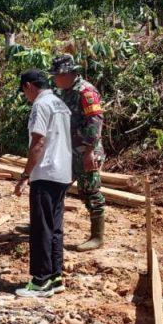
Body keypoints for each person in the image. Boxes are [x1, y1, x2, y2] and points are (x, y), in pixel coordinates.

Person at [13, 69, 72, 298]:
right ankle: (55, 277)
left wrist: (25, 175)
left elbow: (38, 142)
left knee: (41, 228)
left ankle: (40, 281)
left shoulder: (41, 104)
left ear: (29, 86)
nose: (26, 96)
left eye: (24, 91)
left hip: (45, 172)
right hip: (62, 172)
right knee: (55, 227)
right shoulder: (60, 104)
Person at [50, 54, 107, 251]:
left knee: (90, 191)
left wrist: (89, 151)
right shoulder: (64, 91)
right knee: (55, 188)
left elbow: (95, 122)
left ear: (68, 74)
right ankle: (46, 226)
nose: (55, 79)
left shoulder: (86, 91)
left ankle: (97, 237)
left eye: (57, 75)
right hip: (68, 150)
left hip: (85, 151)